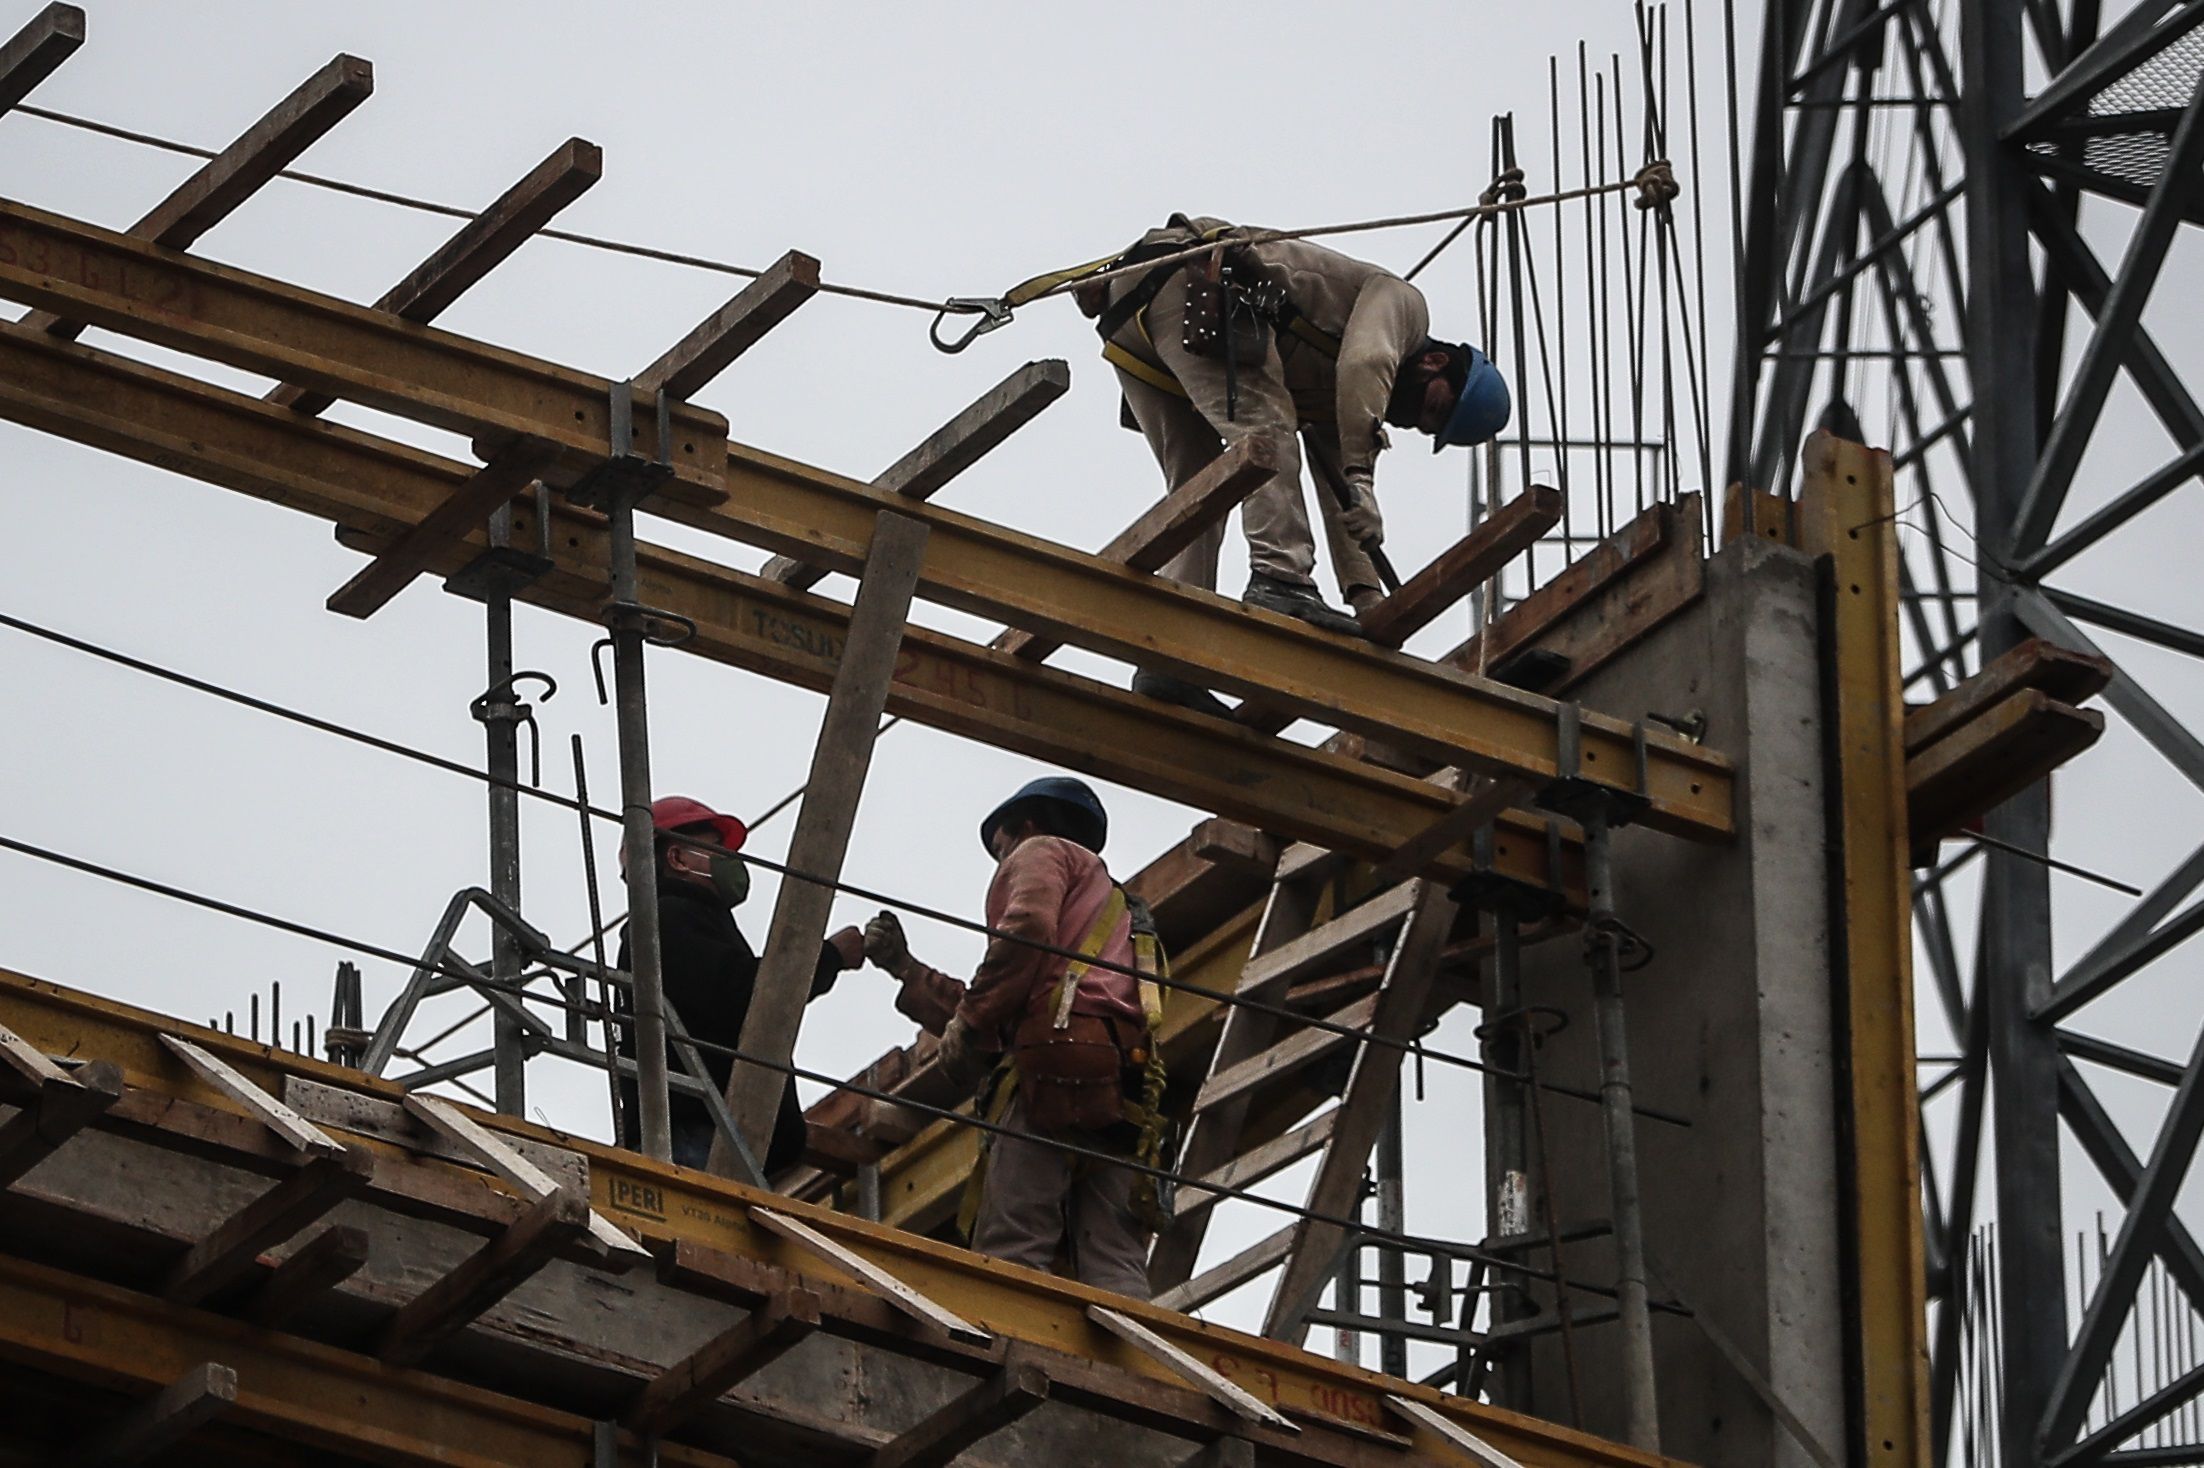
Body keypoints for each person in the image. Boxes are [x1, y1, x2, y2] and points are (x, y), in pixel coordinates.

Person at [1085, 213, 1512, 715]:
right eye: (1433, 407)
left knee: (1203, 488)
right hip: (1194, 282)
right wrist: (1362, 477)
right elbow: (1364, 363)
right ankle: (1280, 577)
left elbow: (1340, 495)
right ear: (1435, 362)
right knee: (1267, 437)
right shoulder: (1404, 308)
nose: (1415, 417)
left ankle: (1169, 654)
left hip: (1141, 318)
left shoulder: (1341, 404)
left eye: (1426, 426)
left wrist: (1368, 601)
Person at [862, 776, 1168, 1298]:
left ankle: (1012, 1351)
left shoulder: (1042, 849)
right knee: (1116, 1262)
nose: (1001, 863)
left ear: (1024, 826)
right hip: (1123, 1086)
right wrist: (908, 972)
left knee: (1014, 1246)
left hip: (1052, 1067)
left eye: (1000, 849)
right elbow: (1022, 998)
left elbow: (1024, 932)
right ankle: (1132, 1369)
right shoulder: (1117, 909)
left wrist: (970, 1022)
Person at [613, 795, 864, 1175]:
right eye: (716, 849)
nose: (731, 860)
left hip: (714, 1136)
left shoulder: (688, 923)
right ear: (677, 859)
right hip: (697, 1139)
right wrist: (830, 957)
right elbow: (749, 995)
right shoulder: (669, 920)